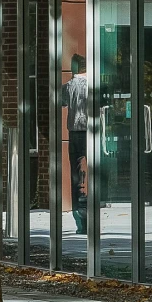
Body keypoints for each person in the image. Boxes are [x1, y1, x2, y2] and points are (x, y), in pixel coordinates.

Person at [61, 52, 89, 231]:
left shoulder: (68, 86)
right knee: (91, 174)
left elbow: (62, 103)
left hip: (74, 134)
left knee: (76, 176)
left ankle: (80, 216)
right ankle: (89, 214)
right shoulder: (91, 86)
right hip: (90, 133)